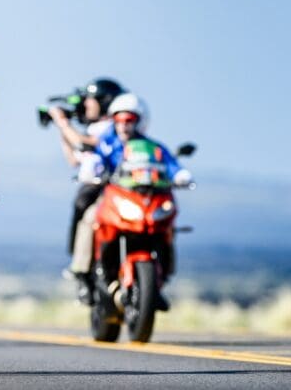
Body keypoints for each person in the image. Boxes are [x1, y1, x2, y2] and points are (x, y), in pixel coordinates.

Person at [70, 92, 192, 305]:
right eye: (119, 120)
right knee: (90, 219)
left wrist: (181, 176)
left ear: (139, 121)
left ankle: (158, 282)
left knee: (168, 228)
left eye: (130, 120)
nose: (124, 125)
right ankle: (82, 272)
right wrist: (90, 170)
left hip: (146, 198)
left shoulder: (151, 147)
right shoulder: (107, 142)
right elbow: (94, 159)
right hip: (114, 196)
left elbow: (172, 165)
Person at [47, 78, 125, 303]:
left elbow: (84, 143)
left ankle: (81, 268)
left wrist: (62, 122)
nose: (85, 105)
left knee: (90, 219)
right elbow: (74, 159)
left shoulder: (112, 127)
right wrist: (62, 129)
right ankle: (81, 268)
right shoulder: (96, 127)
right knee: (82, 210)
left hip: (109, 188)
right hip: (93, 186)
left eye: (90, 100)